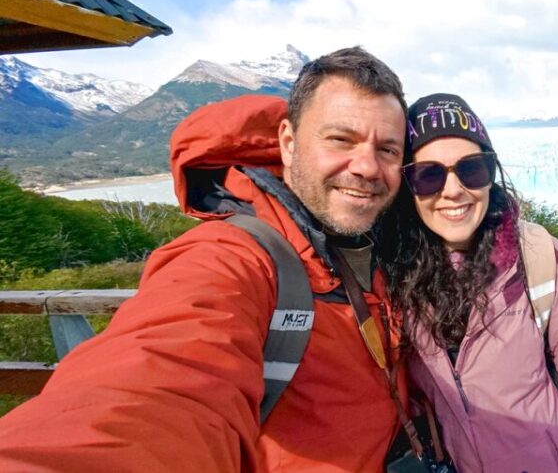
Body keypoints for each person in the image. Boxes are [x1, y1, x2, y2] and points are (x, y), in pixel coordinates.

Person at [0, 47, 410, 472]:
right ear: (288, 143)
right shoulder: (231, 257)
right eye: (341, 139)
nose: (367, 167)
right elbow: (153, 387)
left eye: (387, 150)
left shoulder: (383, 245)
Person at [378, 93, 558, 472]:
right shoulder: (390, 272)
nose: (453, 190)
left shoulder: (537, 256)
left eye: (472, 169)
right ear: (408, 185)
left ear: (491, 173)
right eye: (429, 175)